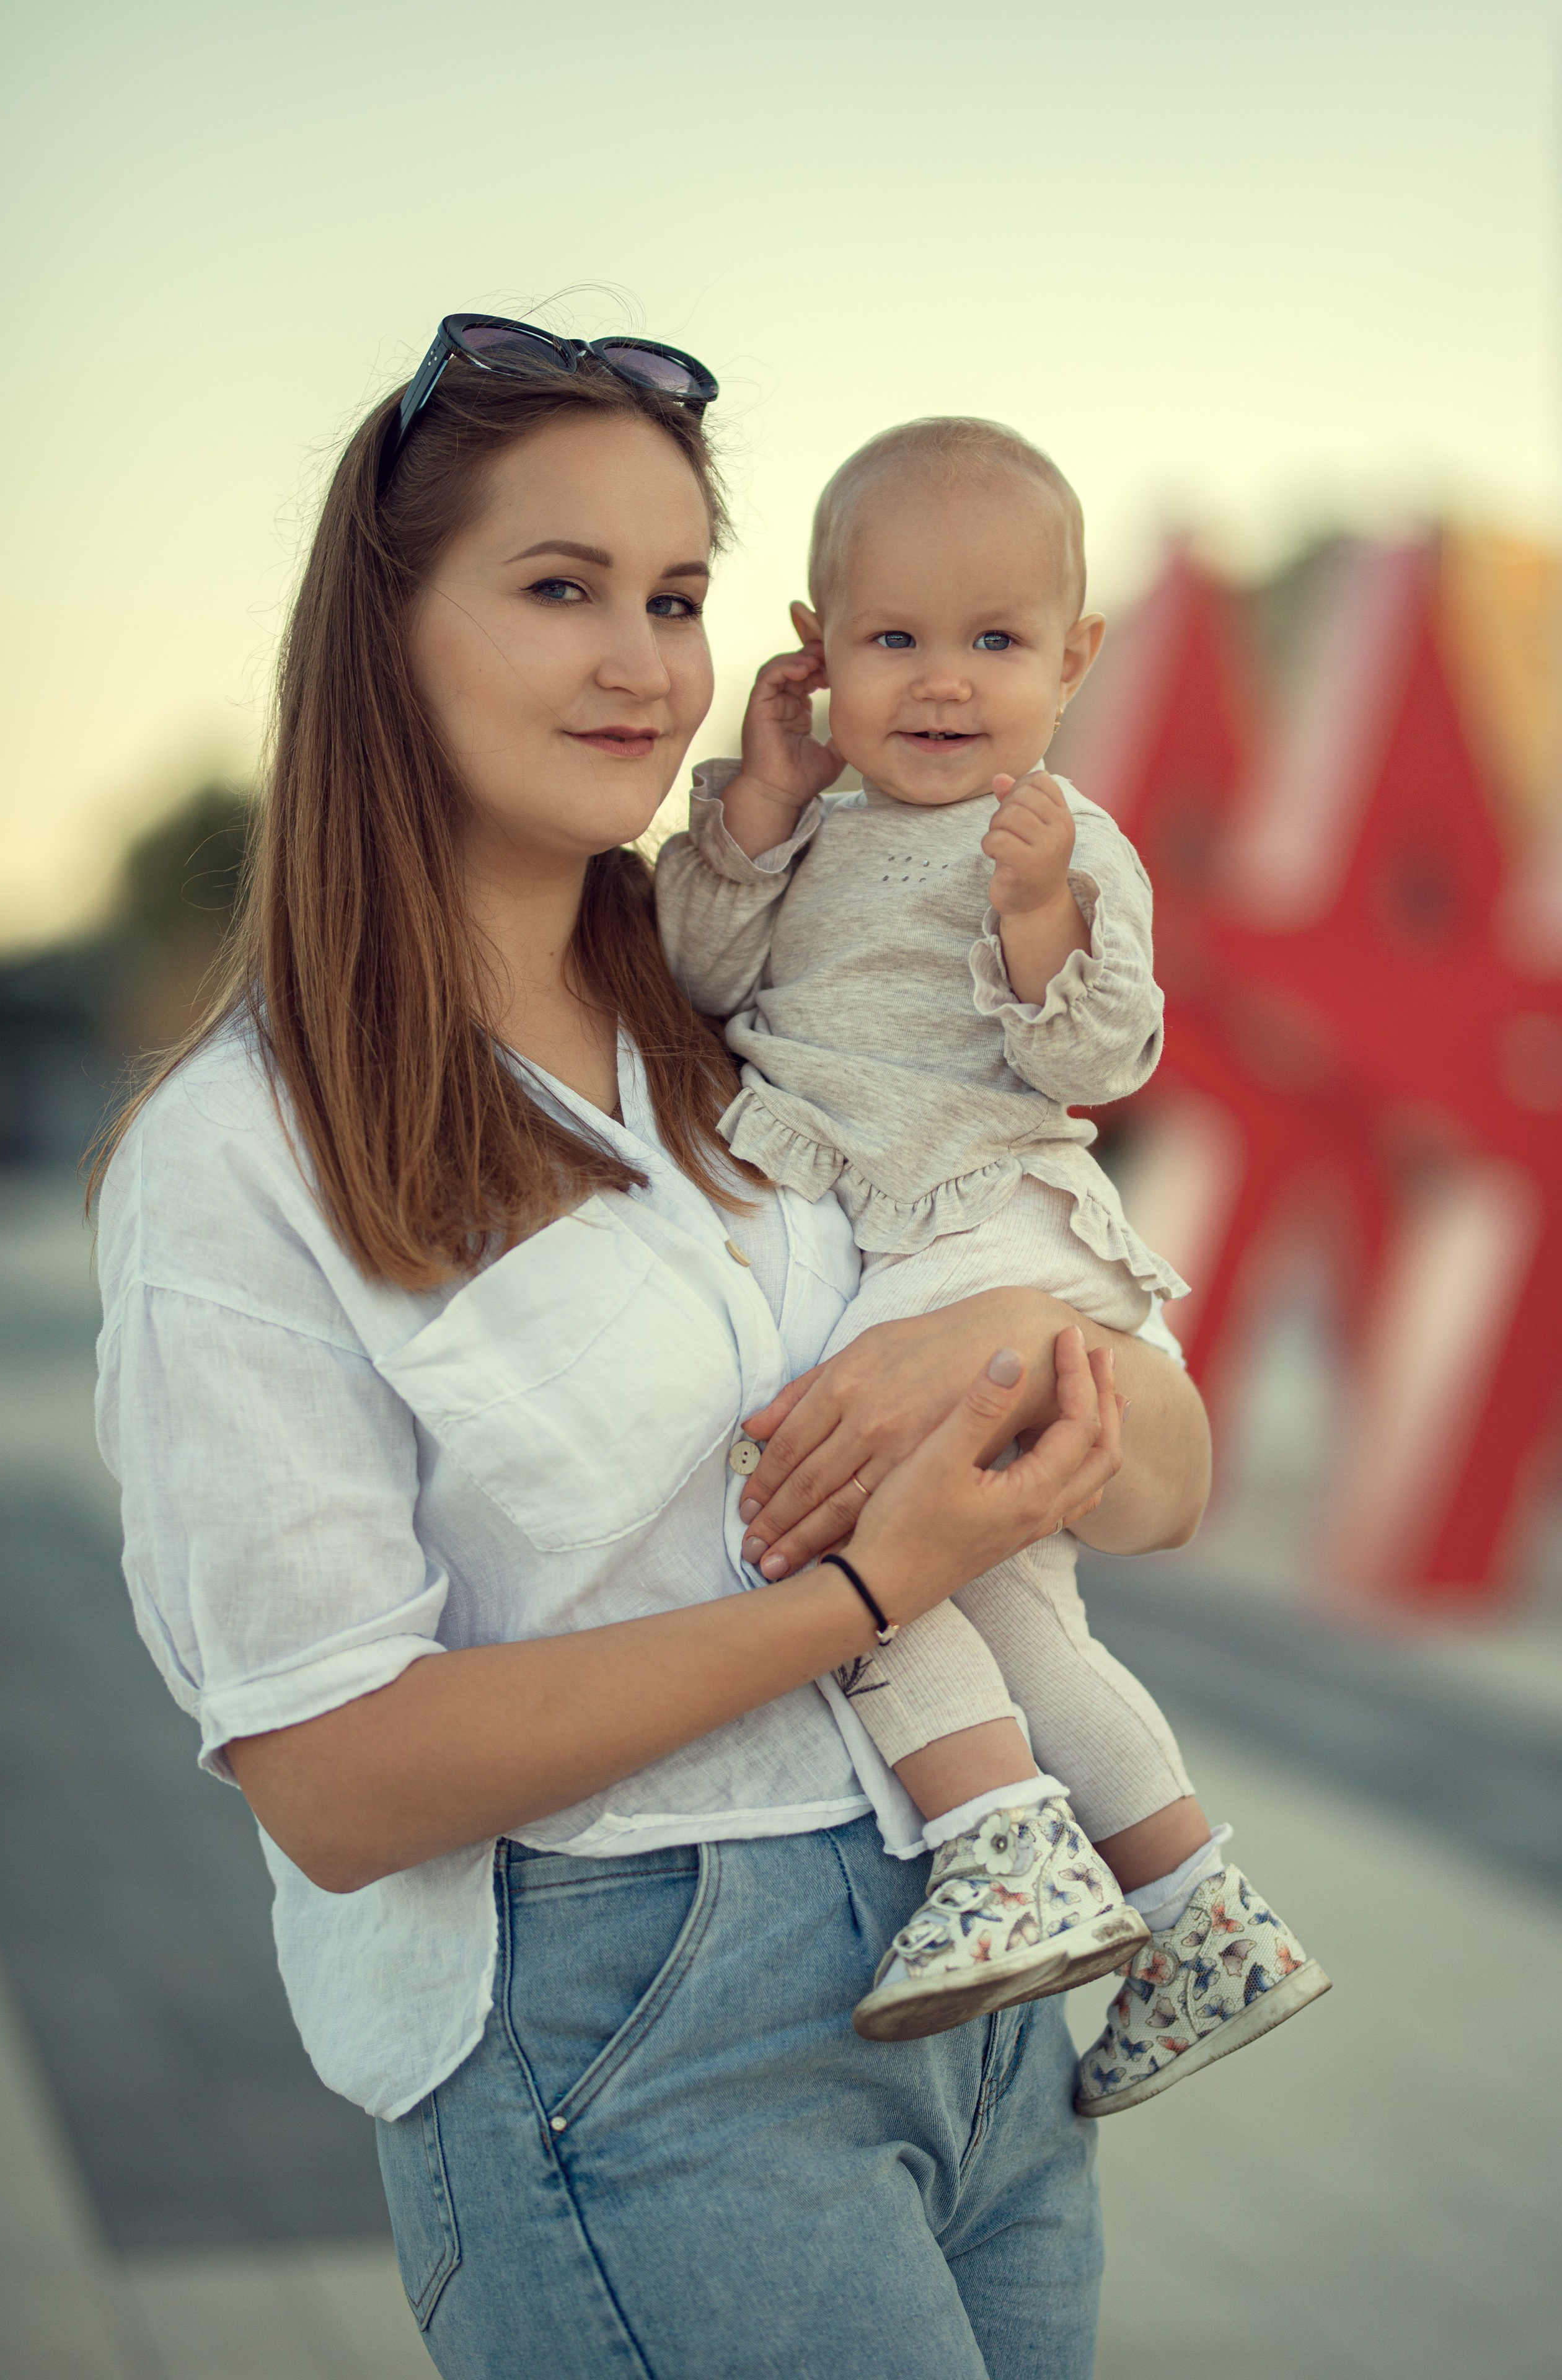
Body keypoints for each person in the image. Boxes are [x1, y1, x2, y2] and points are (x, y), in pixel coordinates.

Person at [91, 316, 1211, 2379]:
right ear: (383, 632)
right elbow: (335, 1780)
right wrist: (872, 1587)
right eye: (558, 590)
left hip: (990, 2011)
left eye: (678, 597)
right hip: (638, 2040)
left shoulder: (778, 1011)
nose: (642, 662)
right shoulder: (241, 1158)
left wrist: (990, 1338)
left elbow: (1166, 1479)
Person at [656, 417, 1329, 2109]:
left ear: (1074, 658)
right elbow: (696, 969)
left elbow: (1100, 1056)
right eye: (894, 640)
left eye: (997, 642)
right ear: (816, 653)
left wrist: (1039, 919)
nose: (944, 683)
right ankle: (1197, 1911)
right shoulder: (805, 819)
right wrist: (754, 808)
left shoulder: (1055, 836)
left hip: (984, 1227)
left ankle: (996, 1848)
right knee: (1017, 1610)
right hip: (915, 1239)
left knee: (815, 1513)